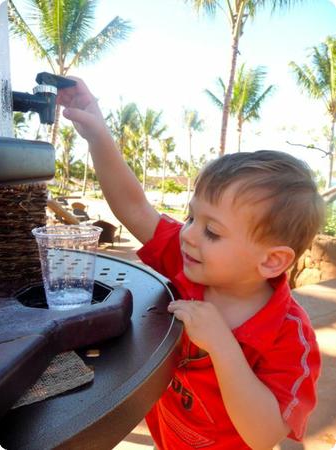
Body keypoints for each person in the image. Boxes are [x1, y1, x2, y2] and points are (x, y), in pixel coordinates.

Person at [58, 78, 325, 450]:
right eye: (190, 218)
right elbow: (135, 207)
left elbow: (264, 436)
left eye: (212, 231)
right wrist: (97, 133)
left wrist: (221, 344)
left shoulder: (289, 337)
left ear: (271, 260)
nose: (189, 235)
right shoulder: (190, 263)